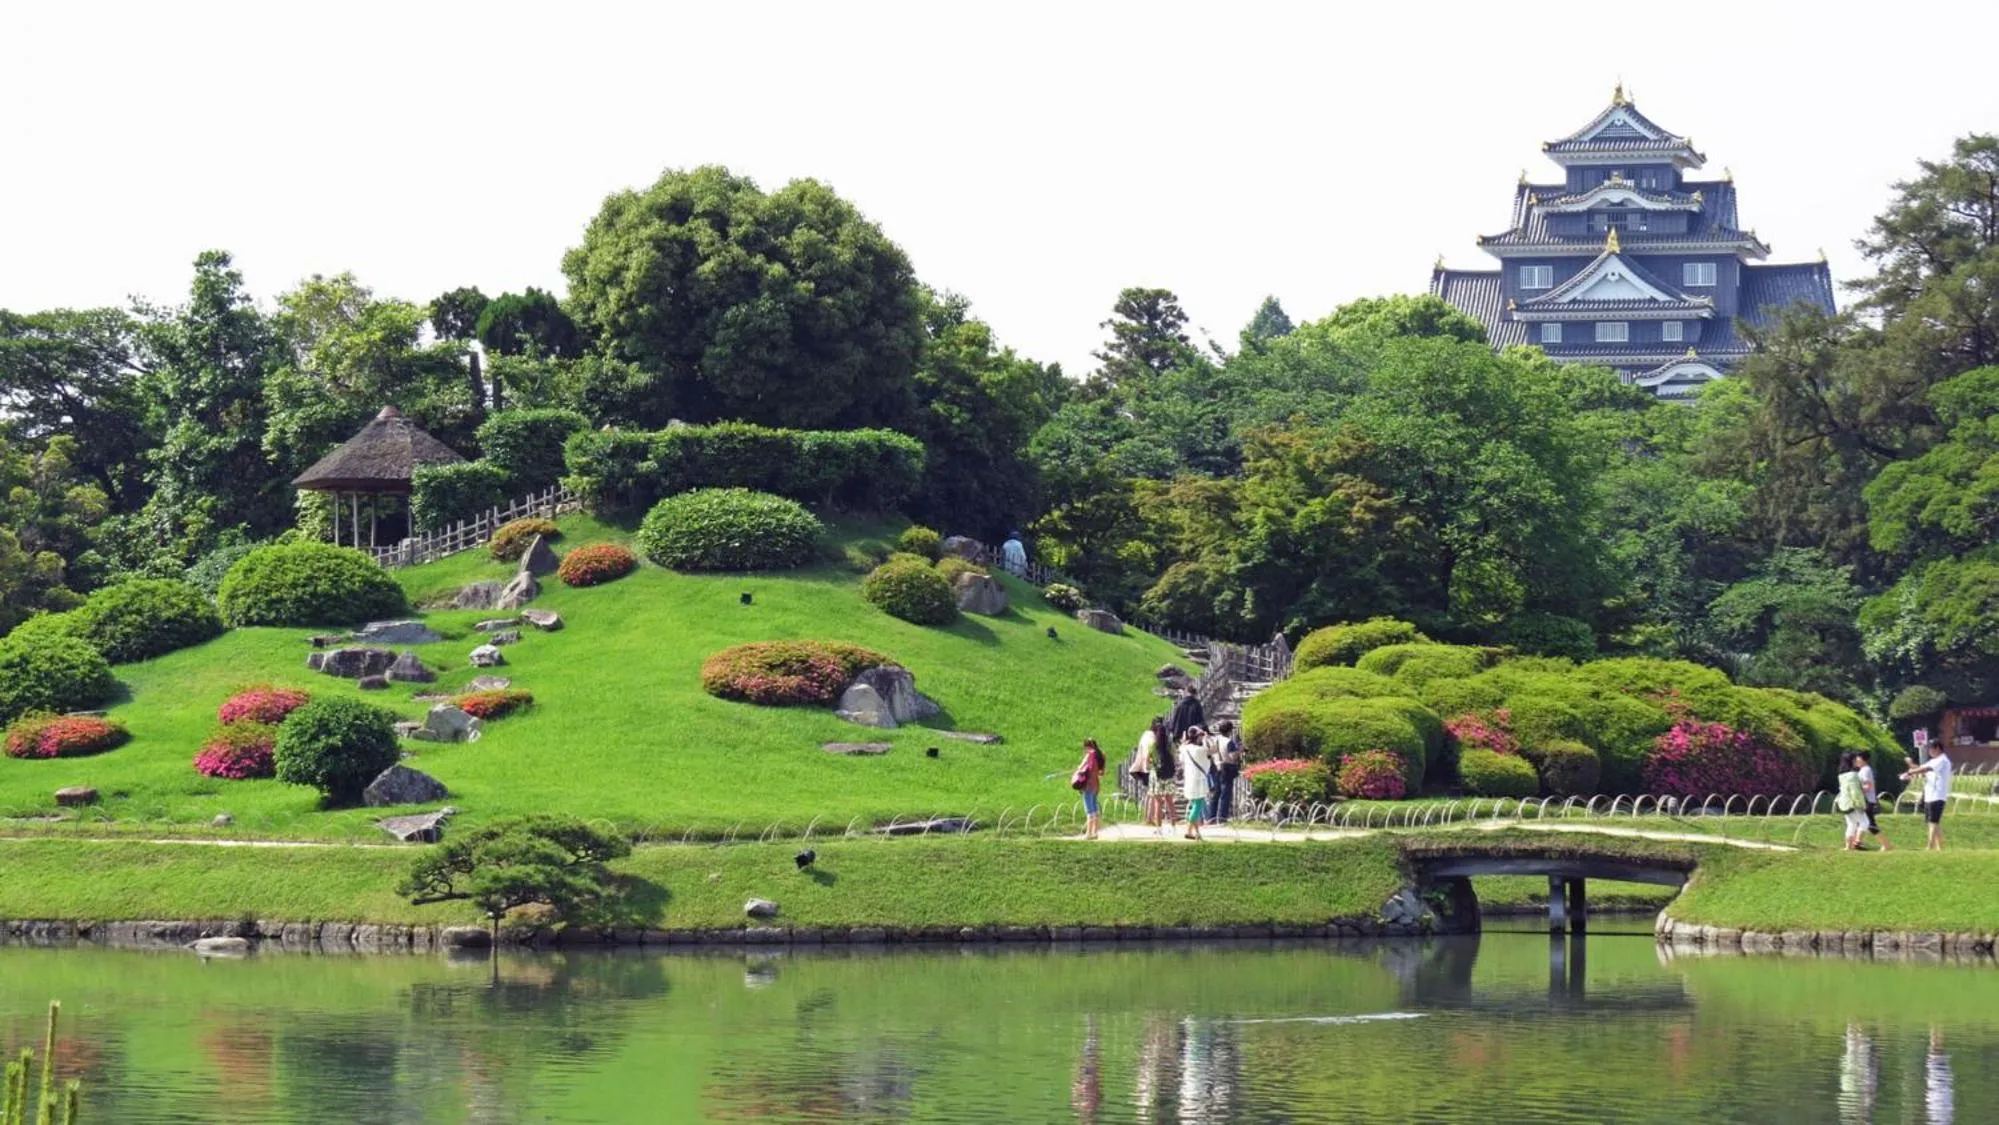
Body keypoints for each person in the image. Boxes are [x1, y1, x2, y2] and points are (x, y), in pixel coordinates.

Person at [1902, 737, 1953, 851]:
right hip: (1930, 794)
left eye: (1930, 749)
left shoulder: (1942, 760)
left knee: (1933, 821)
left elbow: (1926, 769)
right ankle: (1940, 847)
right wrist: (1910, 765)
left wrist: (1910, 772)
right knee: (1933, 822)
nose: (1929, 751)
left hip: (1938, 794)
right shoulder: (1934, 760)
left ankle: (1930, 846)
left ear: (1937, 748)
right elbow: (1921, 768)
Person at [1179, 727, 1212, 840]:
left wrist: (1184, 742)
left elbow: (1181, 757)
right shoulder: (1201, 750)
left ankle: (1196, 832)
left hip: (1189, 779)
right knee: (1198, 805)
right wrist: (1207, 739)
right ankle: (1188, 830)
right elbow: (1211, 751)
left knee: (1195, 806)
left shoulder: (1184, 748)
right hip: (1199, 780)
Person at [1856, 751, 1892, 851]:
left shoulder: (1866, 770)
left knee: (1870, 823)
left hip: (1867, 800)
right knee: (1863, 821)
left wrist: (1857, 791)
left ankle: (1886, 844)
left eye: (1858, 758)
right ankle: (1857, 842)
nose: (1856, 761)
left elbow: (1868, 785)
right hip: (1864, 799)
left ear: (1864, 759)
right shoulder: (1862, 770)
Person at [1209, 721, 1243, 824]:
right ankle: (1223, 817)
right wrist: (1240, 750)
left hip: (1216, 766)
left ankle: (1212, 817)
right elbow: (1233, 756)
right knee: (1225, 794)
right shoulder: (1229, 742)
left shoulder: (1214, 740)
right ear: (1229, 731)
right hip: (1227, 767)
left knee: (1216, 793)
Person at [1834, 753, 1868, 851]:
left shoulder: (1841, 775)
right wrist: (1861, 804)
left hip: (1844, 803)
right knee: (1865, 822)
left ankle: (1848, 847)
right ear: (1851, 761)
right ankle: (1857, 842)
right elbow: (1855, 792)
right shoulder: (1853, 775)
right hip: (1853, 803)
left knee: (1851, 824)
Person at [1075, 738, 1107, 840]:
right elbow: (1101, 772)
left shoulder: (1090, 755)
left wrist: (1078, 769)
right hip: (1096, 785)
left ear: (1087, 747)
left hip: (1088, 785)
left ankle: (1088, 833)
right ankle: (1095, 832)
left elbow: (1081, 768)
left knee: (1089, 810)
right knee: (1094, 809)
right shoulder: (1100, 755)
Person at [1129, 720, 1160, 825]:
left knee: (1149, 794)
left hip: (1143, 767)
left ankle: (1148, 817)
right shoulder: (1152, 738)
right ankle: (1151, 818)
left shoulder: (1145, 735)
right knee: (1153, 794)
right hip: (1149, 768)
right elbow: (1150, 754)